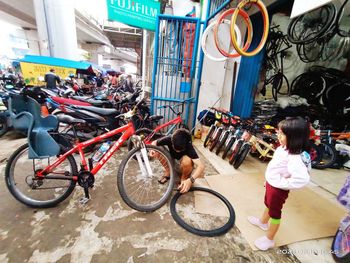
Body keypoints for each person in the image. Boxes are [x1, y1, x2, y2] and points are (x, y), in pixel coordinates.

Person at [247, 116, 311, 250]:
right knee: (268, 204)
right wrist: (269, 180)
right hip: (272, 184)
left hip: (278, 189)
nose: (278, 135)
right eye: (279, 132)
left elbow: (302, 179)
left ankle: (269, 239)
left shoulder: (296, 157)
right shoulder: (284, 148)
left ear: (294, 137)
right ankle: (263, 222)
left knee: (275, 212)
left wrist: (281, 183)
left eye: (282, 133)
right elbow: (276, 166)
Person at [151, 128, 205, 193]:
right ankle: (168, 172)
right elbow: (154, 142)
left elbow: (201, 166)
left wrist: (190, 180)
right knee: (158, 148)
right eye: (175, 148)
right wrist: (153, 150)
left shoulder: (188, 145)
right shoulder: (170, 138)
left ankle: (184, 178)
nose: (177, 151)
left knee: (187, 160)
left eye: (180, 150)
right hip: (172, 160)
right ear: (172, 140)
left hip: (182, 165)